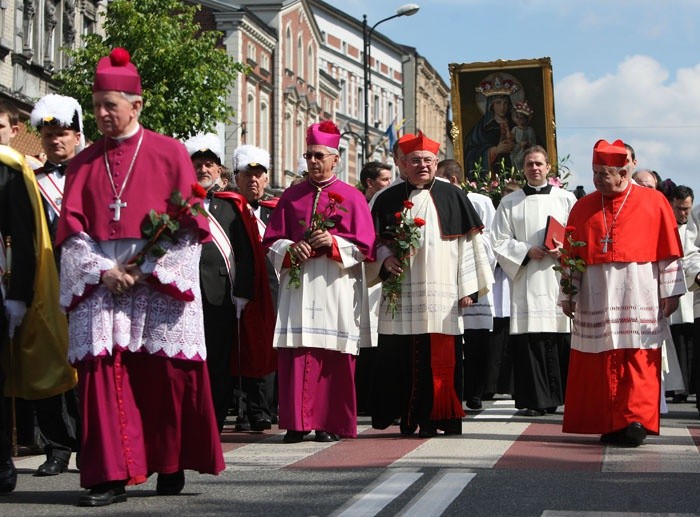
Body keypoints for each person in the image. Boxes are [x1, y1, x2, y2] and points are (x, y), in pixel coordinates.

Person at [56, 48, 224, 506]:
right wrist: (103, 271)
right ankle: (108, 476)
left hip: (156, 280)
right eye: (96, 106)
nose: (102, 115)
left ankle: (169, 463)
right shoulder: (83, 162)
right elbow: (71, 234)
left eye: (110, 105)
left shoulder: (170, 152)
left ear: (137, 105)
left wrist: (149, 270)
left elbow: (191, 228)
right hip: (102, 281)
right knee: (102, 374)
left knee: (163, 374)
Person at [561, 139, 684, 447]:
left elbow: (669, 252)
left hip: (638, 288)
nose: (598, 179)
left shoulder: (654, 202)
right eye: (595, 172)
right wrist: (568, 293)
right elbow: (571, 255)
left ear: (623, 172)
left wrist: (670, 292)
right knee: (599, 358)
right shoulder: (582, 206)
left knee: (638, 357)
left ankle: (635, 421)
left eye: (605, 173)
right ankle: (608, 421)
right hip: (596, 292)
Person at [369, 132, 493, 437]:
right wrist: (385, 259)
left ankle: (442, 417)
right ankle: (408, 417)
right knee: (401, 355)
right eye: (415, 161)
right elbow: (373, 242)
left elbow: (470, 246)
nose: (422, 166)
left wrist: (468, 287)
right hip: (401, 289)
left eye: (427, 160)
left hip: (443, 293)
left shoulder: (454, 196)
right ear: (401, 164)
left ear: (436, 163)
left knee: (441, 355)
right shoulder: (385, 199)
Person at [262, 120, 375, 443]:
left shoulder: (352, 198)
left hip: (335, 284)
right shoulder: (291, 196)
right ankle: (297, 422)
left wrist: (334, 243)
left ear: (335, 159)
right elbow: (271, 242)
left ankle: (329, 421)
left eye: (319, 156)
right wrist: (289, 248)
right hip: (299, 284)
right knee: (297, 352)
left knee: (332, 353)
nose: (313, 162)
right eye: (309, 155)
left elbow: (366, 246)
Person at [491, 145, 576, 417]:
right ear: (523, 168)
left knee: (558, 336)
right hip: (526, 278)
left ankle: (560, 397)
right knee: (530, 340)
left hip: (557, 277)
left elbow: (578, 236)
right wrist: (526, 251)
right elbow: (499, 241)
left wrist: (563, 250)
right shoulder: (510, 202)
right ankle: (534, 400)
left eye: (539, 163)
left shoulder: (566, 199)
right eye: (529, 164)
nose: (534, 168)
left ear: (549, 167)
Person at [25, 94, 86, 476]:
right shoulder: (31, 181)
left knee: (85, 368)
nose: (54, 141)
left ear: (77, 136)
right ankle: (56, 446)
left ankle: (89, 443)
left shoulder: (93, 176)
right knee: (49, 365)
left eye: (61, 133)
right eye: (48, 135)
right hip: (44, 283)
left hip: (86, 283)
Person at [437, 159, 496, 410]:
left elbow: (491, 240)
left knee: (475, 341)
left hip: (472, 277)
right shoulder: (435, 200)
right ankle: (453, 389)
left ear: (451, 180)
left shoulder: (480, 202)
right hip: (445, 278)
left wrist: (472, 282)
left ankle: (475, 392)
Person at [667, 185, 696, 403]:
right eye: (679, 208)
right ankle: (678, 387)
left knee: (691, 338)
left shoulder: (695, 227)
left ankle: (690, 385)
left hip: (692, 289)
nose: (683, 213)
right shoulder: (667, 226)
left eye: (687, 208)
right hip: (672, 286)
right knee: (676, 338)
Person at [464, 75, 519, 180]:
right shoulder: (481, 129)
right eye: (498, 103)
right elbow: (470, 154)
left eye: (505, 103)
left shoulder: (516, 125)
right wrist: (495, 151)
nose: (502, 107)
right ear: (491, 105)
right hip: (493, 176)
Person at [510, 100, 536, 172]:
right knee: (512, 157)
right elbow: (511, 139)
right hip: (516, 148)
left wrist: (526, 144)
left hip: (525, 149)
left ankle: (521, 175)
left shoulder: (529, 130)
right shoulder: (515, 129)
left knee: (518, 160)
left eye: (521, 118)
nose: (519, 120)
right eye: (517, 117)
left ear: (526, 119)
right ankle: (514, 174)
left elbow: (533, 143)